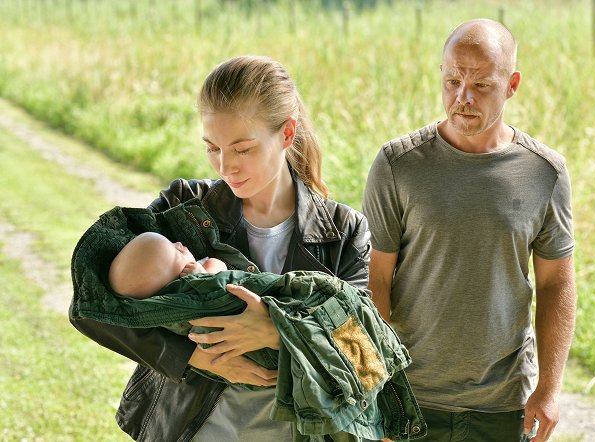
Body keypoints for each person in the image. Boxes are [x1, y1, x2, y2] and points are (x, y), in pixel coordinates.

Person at [69, 55, 372, 441]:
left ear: (287, 133)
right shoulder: (185, 207)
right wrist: (194, 357)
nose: (225, 167)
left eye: (243, 149)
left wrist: (278, 331)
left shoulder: (344, 230)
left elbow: (364, 358)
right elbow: (92, 306)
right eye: (212, 148)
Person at [362, 19, 576, 442]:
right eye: (452, 80)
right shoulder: (397, 165)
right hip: (411, 395)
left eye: (482, 85)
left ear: (512, 85)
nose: (463, 97)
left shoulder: (544, 172)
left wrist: (549, 389)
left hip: (503, 402)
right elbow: (373, 281)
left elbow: (556, 284)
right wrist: (376, 389)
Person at [108, 231, 228, 299]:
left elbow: (218, 264)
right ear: (171, 283)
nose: (179, 243)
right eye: (178, 252)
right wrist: (203, 279)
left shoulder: (198, 268)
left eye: (172, 242)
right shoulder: (184, 293)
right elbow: (220, 269)